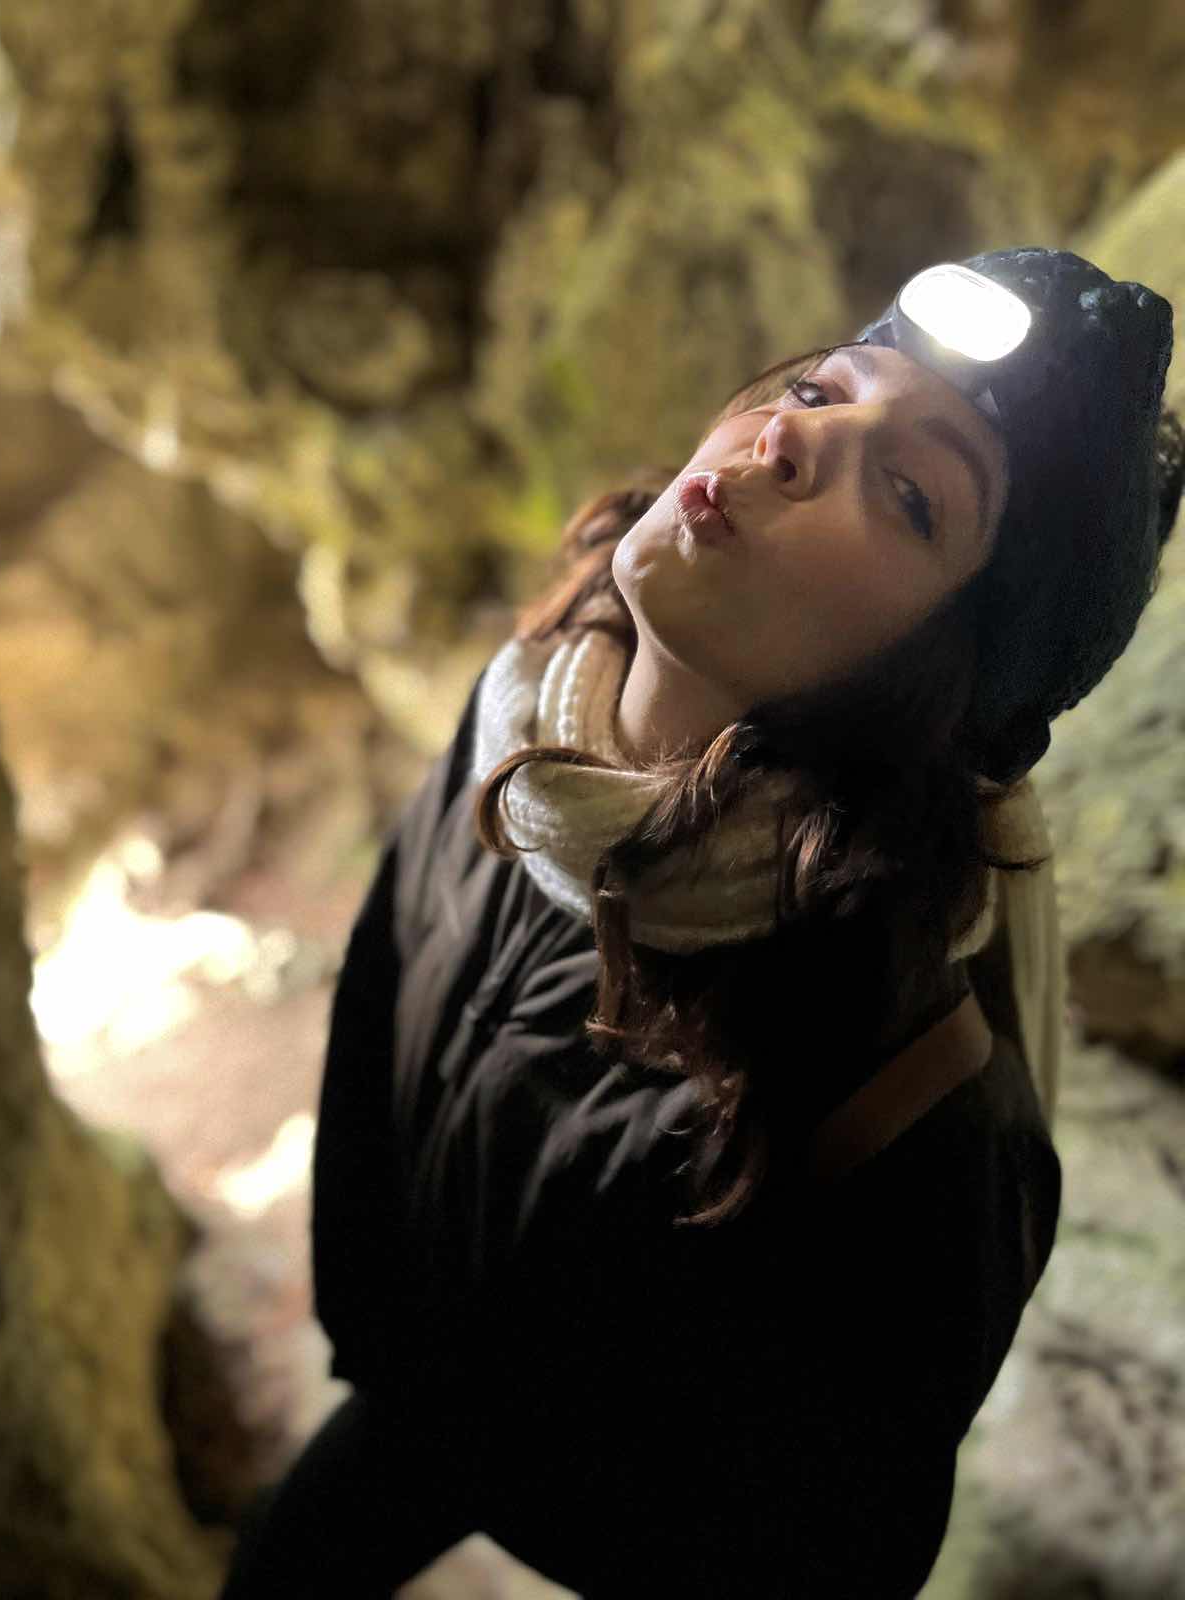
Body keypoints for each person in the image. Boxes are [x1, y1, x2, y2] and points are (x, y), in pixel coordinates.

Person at [218, 247, 1183, 1599]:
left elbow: (824, 1539)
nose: (794, 439)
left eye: (911, 494)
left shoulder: (900, 1094)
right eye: (821, 390)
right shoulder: (523, 718)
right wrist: (377, 1313)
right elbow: (383, 998)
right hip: (426, 1384)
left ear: (948, 685)